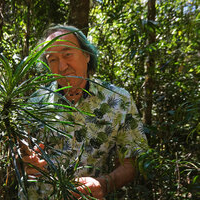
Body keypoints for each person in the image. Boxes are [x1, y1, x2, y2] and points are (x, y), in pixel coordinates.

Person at [21, 25, 148, 200]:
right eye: (53, 60)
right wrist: (25, 162)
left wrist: (104, 184)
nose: (62, 66)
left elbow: (132, 161)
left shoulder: (119, 100)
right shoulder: (35, 103)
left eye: (68, 55)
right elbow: (21, 152)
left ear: (87, 55)